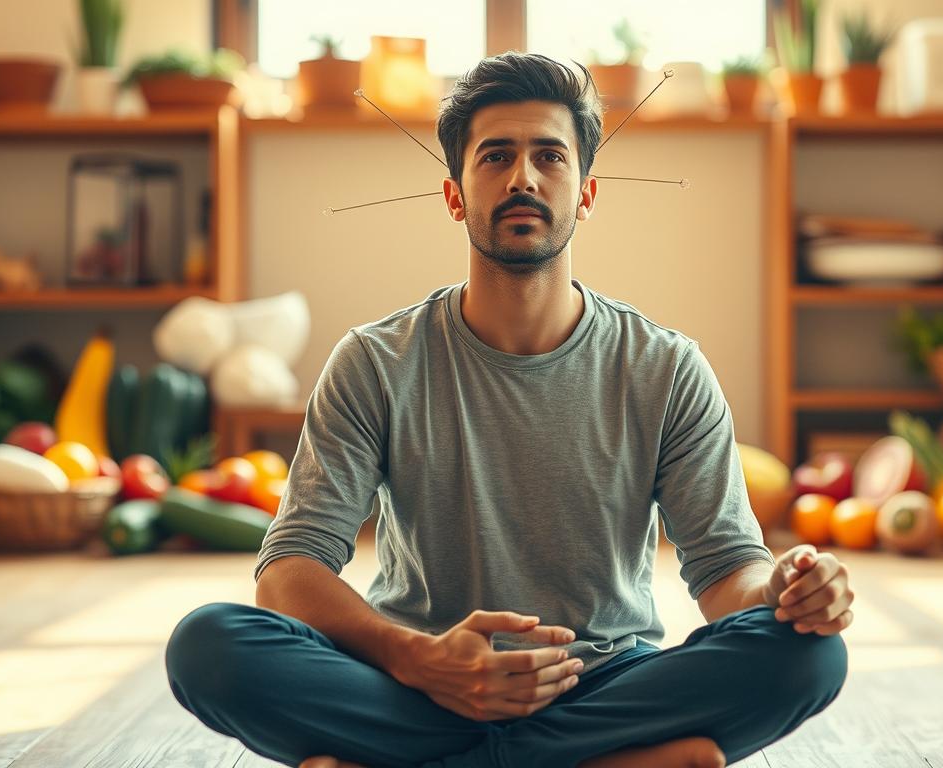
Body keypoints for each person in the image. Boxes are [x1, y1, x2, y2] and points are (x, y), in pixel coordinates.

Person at [166, 52, 853, 768]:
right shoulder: (374, 362)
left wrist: (785, 589)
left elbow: (728, 572)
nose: (523, 177)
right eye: (495, 156)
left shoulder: (667, 368)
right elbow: (289, 570)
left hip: (602, 683)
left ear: (585, 194)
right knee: (209, 645)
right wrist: (417, 659)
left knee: (810, 655)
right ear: (455, 195)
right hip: (419, 681)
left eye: (549, 156)